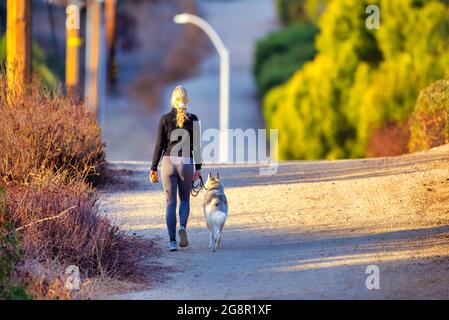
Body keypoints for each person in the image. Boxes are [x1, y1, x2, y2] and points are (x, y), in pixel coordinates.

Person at [149, 86, 202, 252]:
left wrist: (153, 168)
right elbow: (197, 147)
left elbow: (159, 145)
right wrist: (198, 169)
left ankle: (172, 242)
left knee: (170, 203)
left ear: (173, 99)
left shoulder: (165, 119)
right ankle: (183, 227)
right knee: (185, 200)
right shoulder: (193, 119)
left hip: (168, 162)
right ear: (186, 100)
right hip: (186, 163)